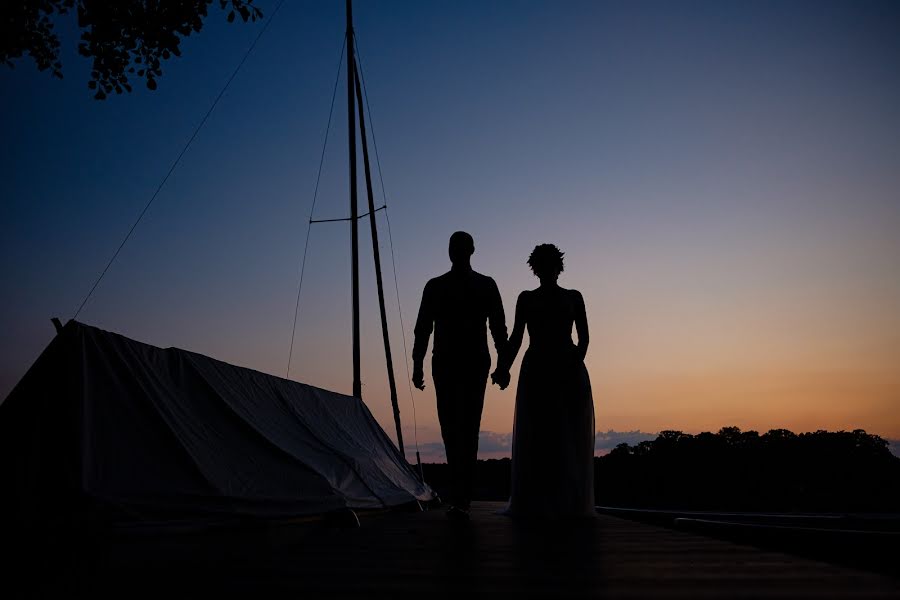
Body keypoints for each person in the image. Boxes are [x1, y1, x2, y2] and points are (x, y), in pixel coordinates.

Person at [491, 243, 595, 518]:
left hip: (568, 370)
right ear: (535, 268)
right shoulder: (526, 299)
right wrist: (503, 367)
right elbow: (516, 338)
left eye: (550, 263)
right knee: (538, 434)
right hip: (536, 370)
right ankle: (538, 499)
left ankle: (567, 500)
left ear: (557, 267)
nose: (546, 269)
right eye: (541, 264)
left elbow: (584, 338)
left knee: (567, 435)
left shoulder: (574, 297)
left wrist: (574, 364)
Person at [413, 231, 508, 520]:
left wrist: (503, 365)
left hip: (469, 363)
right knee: (455, 429)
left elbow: (498, 328)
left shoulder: (480, 285)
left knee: (463, 428)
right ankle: (460, 495)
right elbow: (423, 328)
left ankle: (462, 496)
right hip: (448, 363)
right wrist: (417, 364)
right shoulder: (437, 286)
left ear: (466, 251)